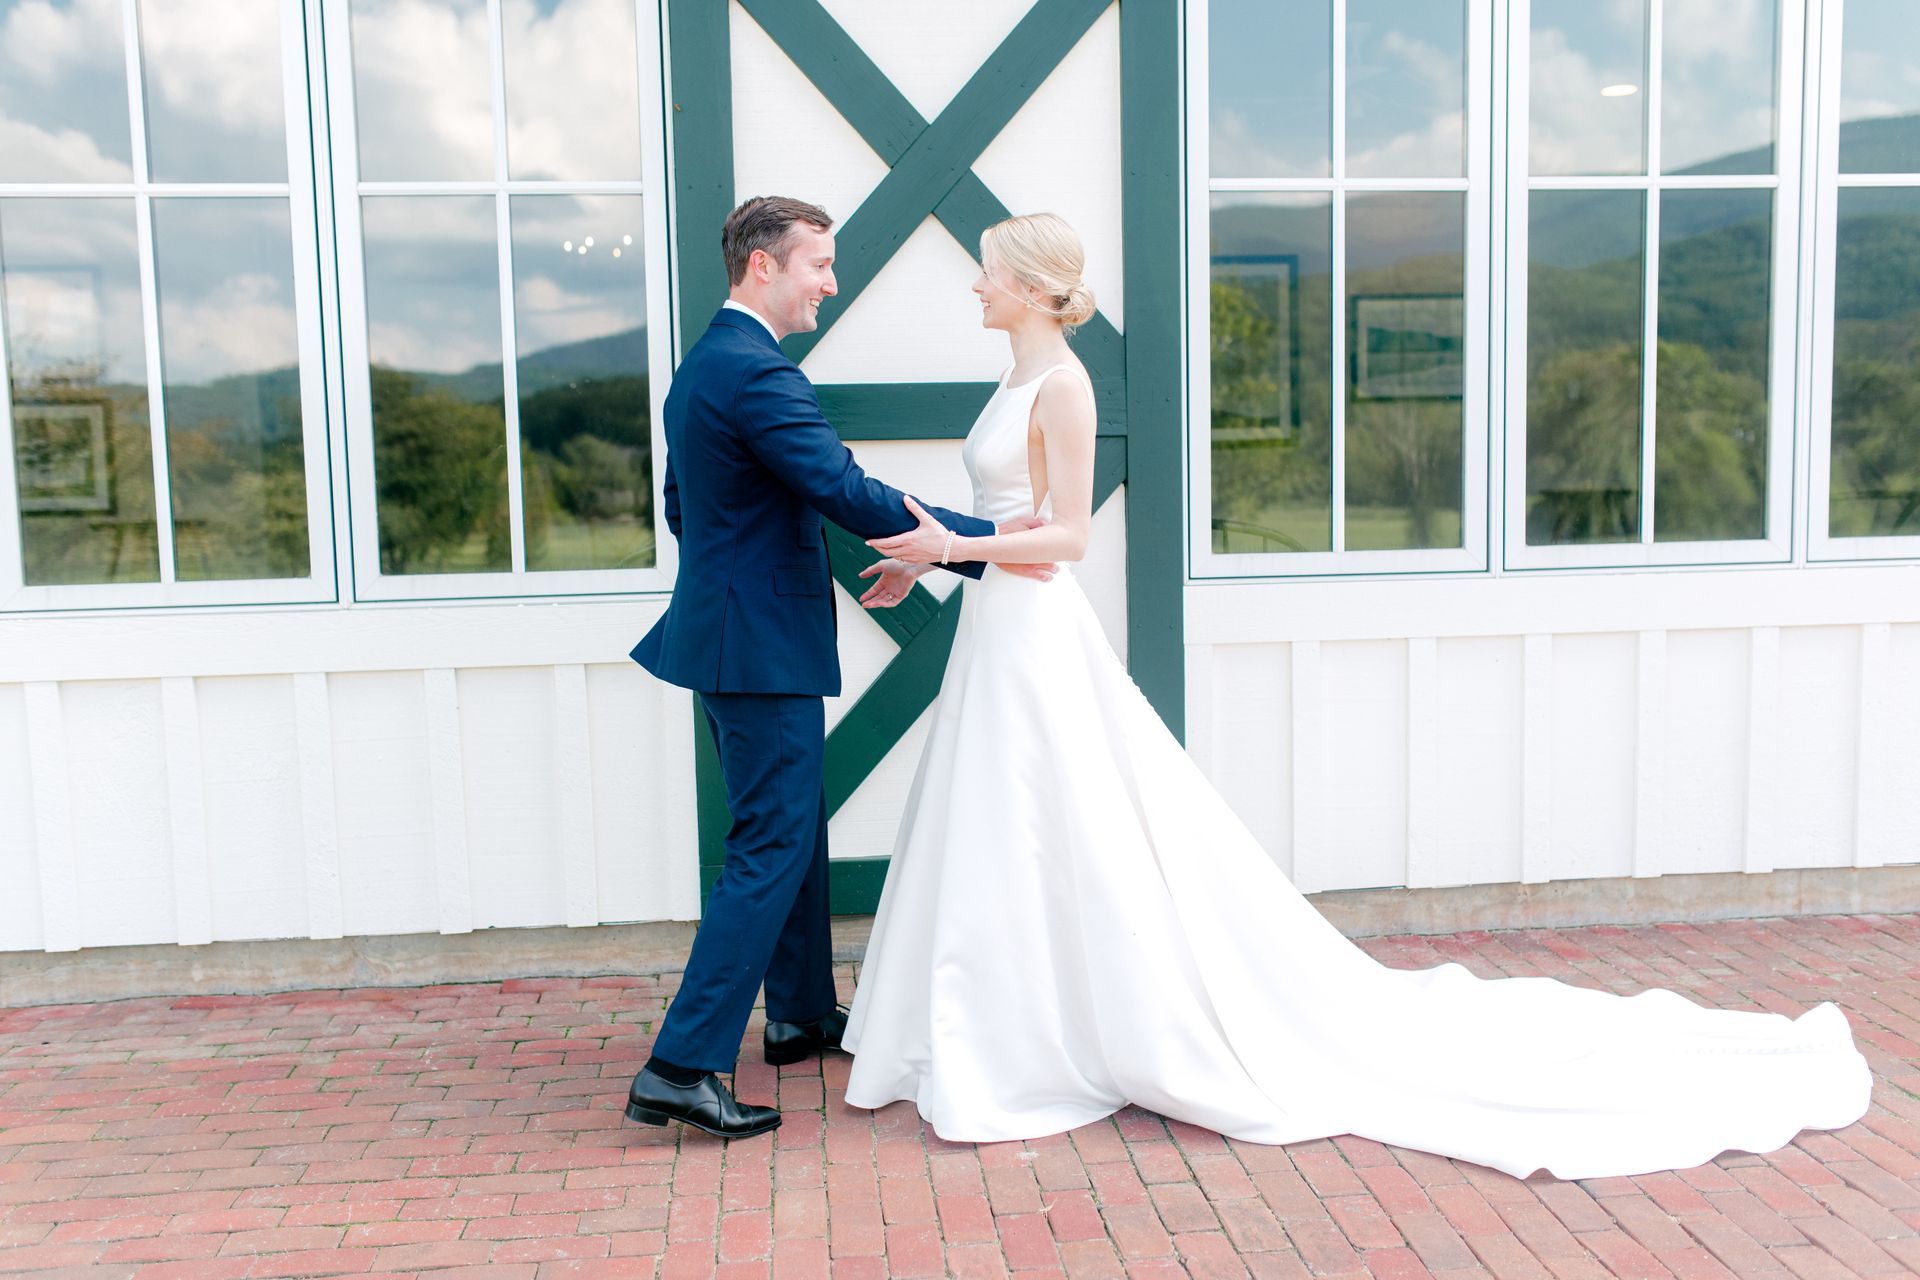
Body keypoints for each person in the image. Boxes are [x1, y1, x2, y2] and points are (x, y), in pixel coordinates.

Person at [841, 211, 1873, 1180]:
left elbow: (1065, 538)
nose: (973, 282)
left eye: (985, 267)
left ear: (1024, 284)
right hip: (998, 629)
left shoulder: (1063, 385)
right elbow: (1001, 522)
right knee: (1002, 820)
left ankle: (1050, 1033)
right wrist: (936, 556)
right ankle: (998, 1021)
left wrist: (953, 545)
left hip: (1037, 634)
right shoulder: (1016, 377)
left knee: (1045, 813)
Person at [625, 196, 1052, 1138]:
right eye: (818, 262)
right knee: (769, 846)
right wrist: (984, 539)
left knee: (791, 825)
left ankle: (801, 1011)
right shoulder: (757, 376)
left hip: (731, 635)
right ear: (763, 267)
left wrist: (737, 580)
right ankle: (680, 1065)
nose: (831, 280)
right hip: (759, 647)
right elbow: (843, 489)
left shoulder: (705, 367)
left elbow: (683, 510)